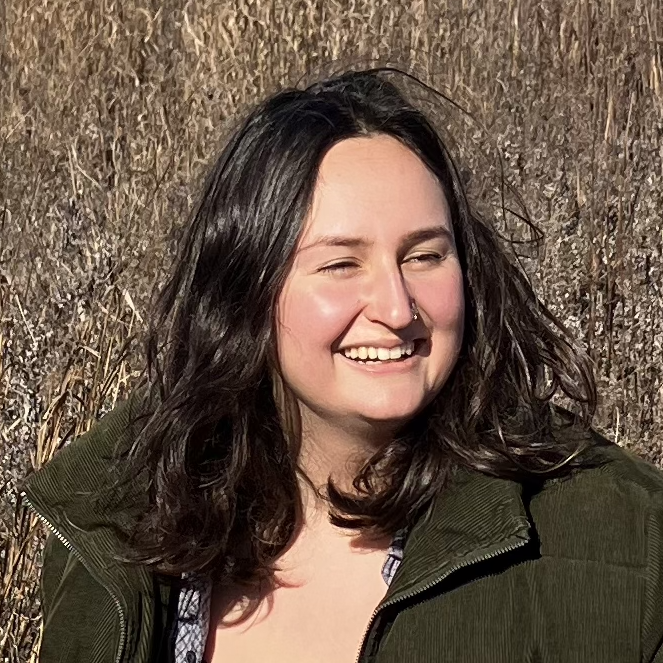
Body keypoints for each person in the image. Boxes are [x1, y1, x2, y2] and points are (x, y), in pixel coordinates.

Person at [20, 68, 663, 663]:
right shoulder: (116, 528)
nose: (395, 306)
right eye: (340, 263)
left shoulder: (625, 542)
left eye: (425, 256)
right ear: (246, 291)